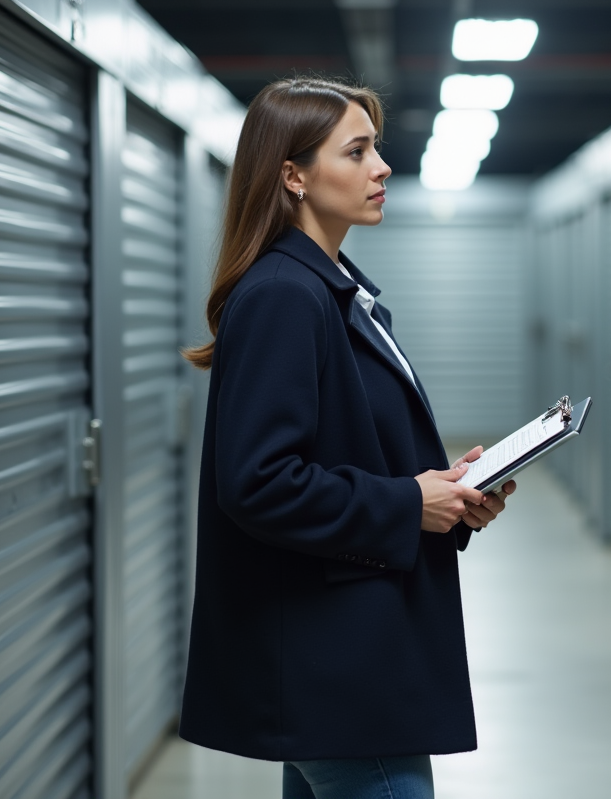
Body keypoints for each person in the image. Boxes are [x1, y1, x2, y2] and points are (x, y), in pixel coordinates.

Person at [178, 77, 517, 799]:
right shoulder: (283, 296)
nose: (382, 167)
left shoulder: (333, 291)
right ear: (293, 176)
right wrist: (405, 504)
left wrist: (446, 494)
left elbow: (345, 453)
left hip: (341, 657)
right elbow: (258, 481)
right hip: (334, 665)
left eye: (376, 148)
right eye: (357, 151)